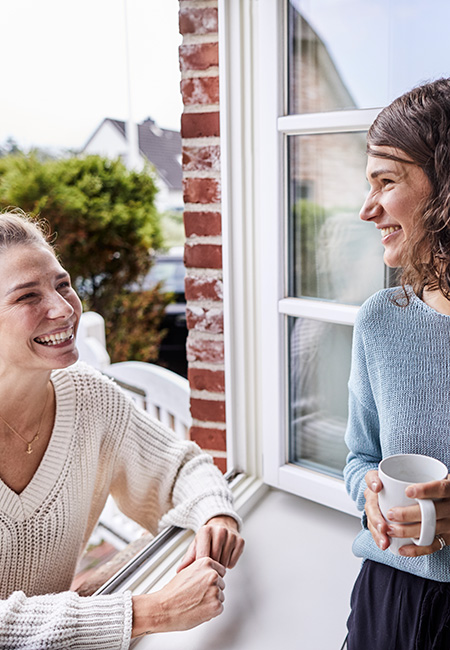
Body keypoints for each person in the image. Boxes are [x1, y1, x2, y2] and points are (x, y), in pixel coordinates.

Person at [0, 209, 244, 648]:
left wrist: (215, 512)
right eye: (27, 297)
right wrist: (154, 610)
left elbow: (179, 467)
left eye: (62, 284)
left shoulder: (86, 395)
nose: (62, 308)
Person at [344, 77, 450, 650]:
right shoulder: (380, 321)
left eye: (387, 181)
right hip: (387, 599)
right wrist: (368, 491)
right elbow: (360, 454)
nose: (367, 209)